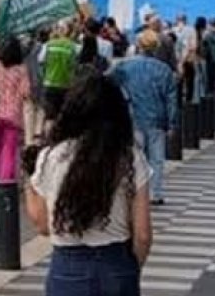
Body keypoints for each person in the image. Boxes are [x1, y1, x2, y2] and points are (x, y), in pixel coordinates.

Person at [26, 73, 152, 296]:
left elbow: (43, 225)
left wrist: (28, 180)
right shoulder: (129, 157)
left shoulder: (52, 156)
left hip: (67, 267)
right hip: (116, 263)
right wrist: (131, 270)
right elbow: (142, 235)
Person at [109, 29, 177, 206]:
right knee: (157, 158)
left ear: (138, 46)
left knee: (135, 157)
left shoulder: (125, 66)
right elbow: (171, 99)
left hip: (133, 117)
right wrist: (172, 123)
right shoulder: (164, 70)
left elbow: (109, 82)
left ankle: (135, 190)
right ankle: (156, 193)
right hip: (157, 118)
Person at [0, 36, 31, 200]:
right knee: (9, 152)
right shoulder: (21, 69)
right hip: (13, 115)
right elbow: (26, 93)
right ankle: (5, 187)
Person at [41, 24, 79, 127]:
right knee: (62, 113)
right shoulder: (73, 46)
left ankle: (49, 139)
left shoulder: (48, 45)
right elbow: (75, 65)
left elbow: (41, 60)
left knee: (49, 115)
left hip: (49, 83)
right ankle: (59, 138)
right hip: (66, 84)